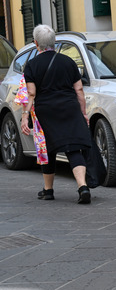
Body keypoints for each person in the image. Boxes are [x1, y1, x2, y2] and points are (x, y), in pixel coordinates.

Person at [20, 24, 93, 204]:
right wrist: (83, 113)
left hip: (46, 111)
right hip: (69, 108)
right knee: (73, 146)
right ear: (54, 42)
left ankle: (48, 190)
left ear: (36, 43)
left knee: (47, 147)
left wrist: (25, 116)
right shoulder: (68, 62)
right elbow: (79, 90)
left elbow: (30, 93)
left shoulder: (32, 65)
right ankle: (82, 187)